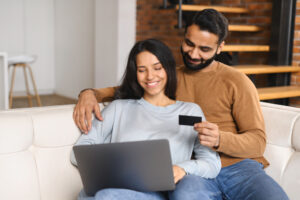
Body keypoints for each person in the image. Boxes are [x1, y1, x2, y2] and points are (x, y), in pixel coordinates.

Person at [73, 9, 289, 200]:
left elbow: (257, 142)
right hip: (190, 172)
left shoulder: (236, 81)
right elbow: (130, 87)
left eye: (204, 49)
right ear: (184, 36)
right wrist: (91, 93)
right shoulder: (168, 78)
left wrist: (220, 139)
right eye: (189, 44)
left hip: (238, 169)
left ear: (220, 47)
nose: (194, 54)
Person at [71, 38, 221, 200]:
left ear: (168, 69)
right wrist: (114, 165)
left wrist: (182, 168)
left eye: (157, 68)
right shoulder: (118, 108)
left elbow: (211, 163)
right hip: (125, 190)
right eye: (142, 70)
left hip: (170, 192)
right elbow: (79, 152)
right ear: (135, 73)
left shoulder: (189, 111)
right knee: (107, 196)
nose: (150, 76)